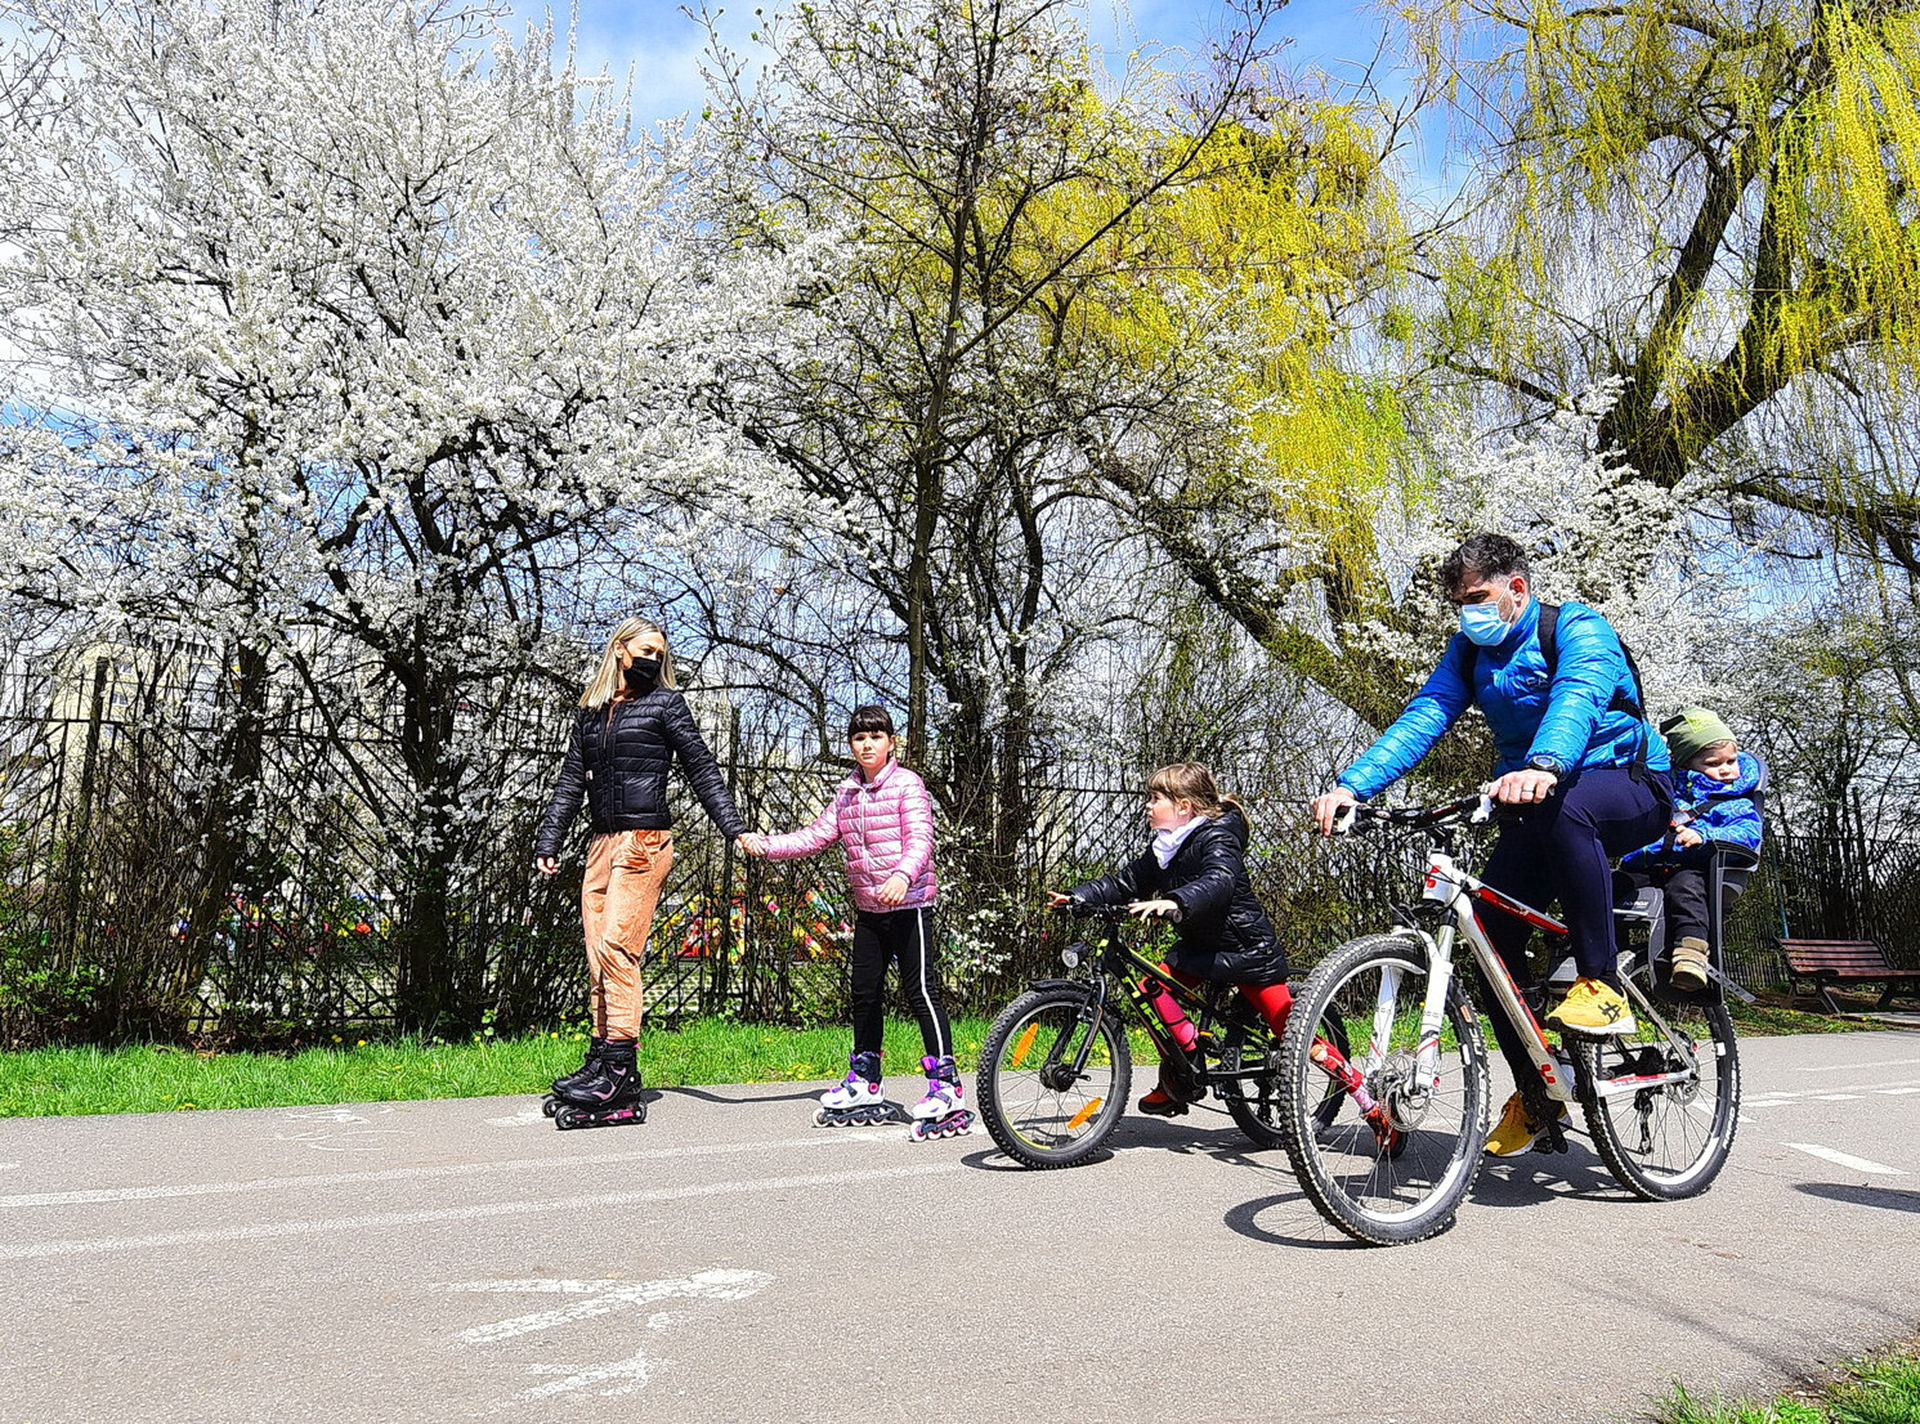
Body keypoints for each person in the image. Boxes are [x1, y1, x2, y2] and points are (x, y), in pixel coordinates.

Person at [1308, 532, 1672, 1157]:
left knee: (1570, 810)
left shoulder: (1576, 628)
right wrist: (1352, 786)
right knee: (1493, 939)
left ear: (1516, 588)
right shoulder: (1468, 652)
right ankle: (1537, 1090)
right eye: (1459, 603)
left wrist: (1545, 763)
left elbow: (1577, 697)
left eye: (1477, 597)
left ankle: (1601, 983)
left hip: (1628, 782)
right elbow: (1425, 715)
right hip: (1535, 795)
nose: (1466, 613)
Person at [534, 617, 750, 1126]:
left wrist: (734, 828)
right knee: (598, 957)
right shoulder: (591, 712)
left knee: (617, 948)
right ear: (620, 649)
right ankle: (600, 1058)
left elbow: (701, 767)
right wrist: (550, 839)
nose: (653, 658)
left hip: (644, 841)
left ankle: (620, 1071)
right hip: (601, 843)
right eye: (645, 649)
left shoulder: (666, 705)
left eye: (659, 652)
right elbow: (571, 780)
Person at [739, 706, 960, 1129]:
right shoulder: (847, 793)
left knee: (920, 992)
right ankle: (866, 1080)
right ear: (851, 745)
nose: (867, 745)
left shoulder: (907, 785)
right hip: (869, 909)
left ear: (891, 742)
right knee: (864, 993)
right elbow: (816, 835)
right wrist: (765, 845)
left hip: (909, 905)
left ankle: (946, 1085)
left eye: (876, 737)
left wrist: (901, 876)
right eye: (859, 738)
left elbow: (921, 839)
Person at [1052, 762, 1292, 1116]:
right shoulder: (1166, 848)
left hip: (1247, 952)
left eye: (1155, 798)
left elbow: (1219, 881)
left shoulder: (1218, 837)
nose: (1147, 805)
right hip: (1201, 948)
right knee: (1152, 989)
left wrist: (1176, 901)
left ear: (1183, 806)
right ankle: (1181, 1074)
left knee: (1297, 1037)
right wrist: (1078, 897)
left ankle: (1363, 1096)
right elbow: (1125, 882)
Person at [1621, 707, 1764, 992]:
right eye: (1713, 763)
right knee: (1613, 884)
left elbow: (1748, 834)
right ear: (1688, 765)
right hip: (1653, 865)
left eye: (1731, 761)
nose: (1726, 769)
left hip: (1699, 868)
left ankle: (1691, 953)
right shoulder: (1669, 794)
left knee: (1685, 888)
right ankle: (1598, 948)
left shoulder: (1736, 803)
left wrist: (1704, 835)